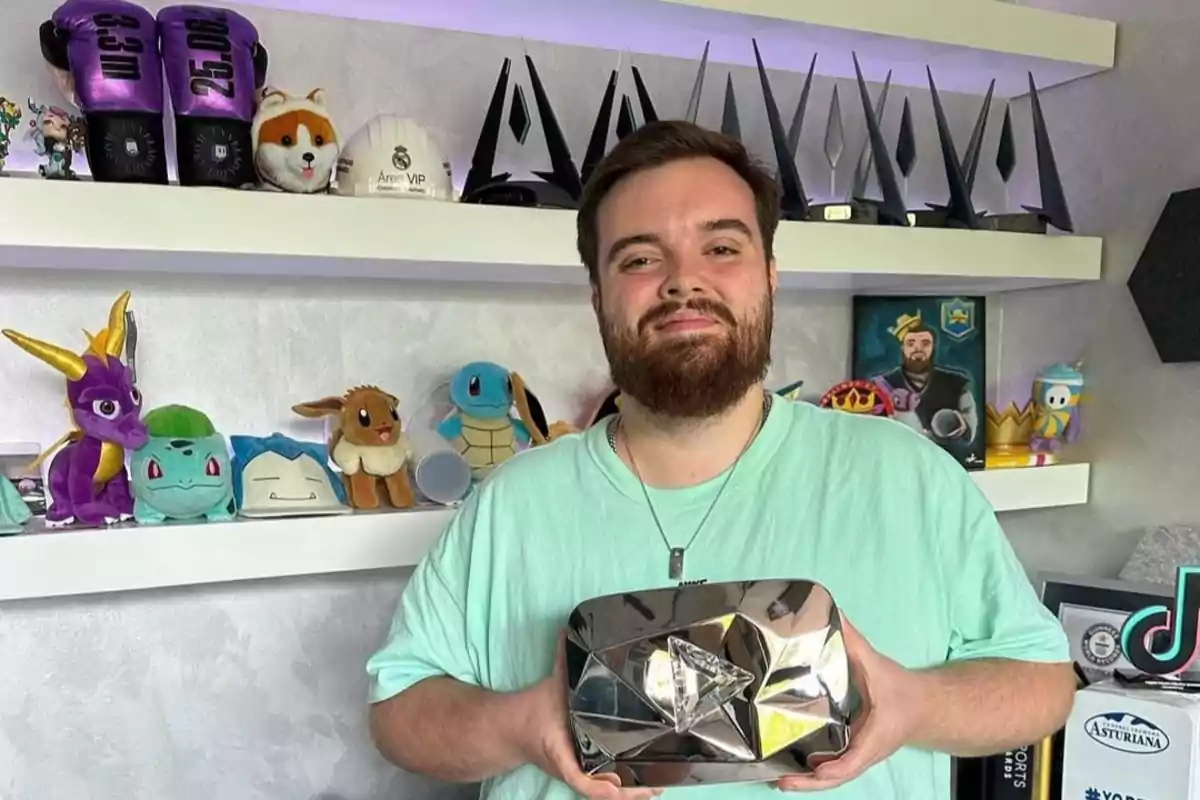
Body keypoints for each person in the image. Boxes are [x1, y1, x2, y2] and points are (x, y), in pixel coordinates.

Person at [365, 120, 1075, 799]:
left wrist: (915, 705)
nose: (682, 282)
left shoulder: (910, 477)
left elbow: (1044, 683)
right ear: (598, 296)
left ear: (769, 275)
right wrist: (523, 725)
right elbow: (400, 714)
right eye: (640, 258)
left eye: (722, 249)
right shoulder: (511, 504)